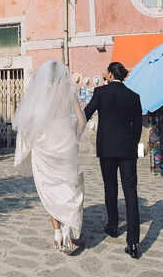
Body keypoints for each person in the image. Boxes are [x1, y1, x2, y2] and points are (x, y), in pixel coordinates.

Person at [13, 60, 87, 253]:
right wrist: (75, 138)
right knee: (69, 185)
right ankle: (68, 232)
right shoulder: (70, 94)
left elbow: (28, 120)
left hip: (46, 145)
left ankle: (56, 233)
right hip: (66, 143)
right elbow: (81, 121)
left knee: (50, 187)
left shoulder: (42, 96)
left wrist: (33, 137)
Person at [84, 61, 143, 259]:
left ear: (110, 74)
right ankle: (133, 242)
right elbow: (137, 127)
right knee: (131, 192)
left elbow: (86, 114)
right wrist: (131, 144)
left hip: (107, 149)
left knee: (110, 187)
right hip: (127, 149)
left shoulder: (101, 93)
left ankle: (113, 225)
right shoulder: (134, 96)